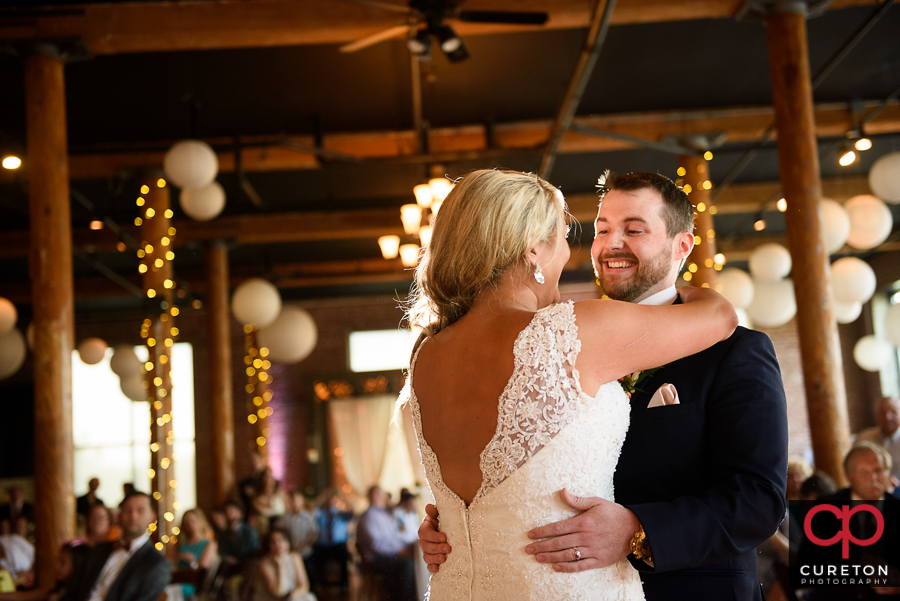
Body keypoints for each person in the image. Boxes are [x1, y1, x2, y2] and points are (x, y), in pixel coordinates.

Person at [417, 170, 788, 600]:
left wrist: (639, 531)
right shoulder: (566, 333)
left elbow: (758, 499)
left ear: (682, 246)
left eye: (634, 230)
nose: (611, 244)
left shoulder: (735, 351)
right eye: (602, 230)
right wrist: (464, 529)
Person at [61, 491, 171, 601]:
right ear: (119, 515)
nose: (133, 516)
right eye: (128, 510)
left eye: (140, 511)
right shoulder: (98, 550)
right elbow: (72, 592)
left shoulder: (157, 564)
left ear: (152, 517)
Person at [355, 486, 415, 601]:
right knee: (407, 564)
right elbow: (377, 545)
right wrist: (400, 551)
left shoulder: (384, 514)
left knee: (414, 559)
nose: (387, 497)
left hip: (388, 555)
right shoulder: (369, 516)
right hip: (376, 560)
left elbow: (394, 537)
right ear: (376, 496)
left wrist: (406, 547)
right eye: (383, 494)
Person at [252, 529, 316, 601]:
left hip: (291, 596)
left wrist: (291, 597)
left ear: (287, 542)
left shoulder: (295, 557)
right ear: (268, 545)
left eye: (281, 540)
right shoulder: (264, 563)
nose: (277, 544)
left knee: (309, 598)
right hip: (271, 598)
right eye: (273, 542)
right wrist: (280, 566)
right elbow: (278, 592)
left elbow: (304, 585)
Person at [310, 490, 352, 591]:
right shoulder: (320, 513)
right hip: (323, 546)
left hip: (338, 545)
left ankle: (344, 585)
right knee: (313, 557)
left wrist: (342, 497)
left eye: (333, 499)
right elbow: (310, 508)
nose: (331, 501)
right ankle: (319, 585)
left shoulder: (341, 513)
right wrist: (321, 498)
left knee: (344, 556)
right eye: (329, 499)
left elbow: (352, 511)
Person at [855, 397, 900, 486]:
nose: (887, 417)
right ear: (876, 415)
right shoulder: (864, 438)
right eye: (882, 413)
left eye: (893, 412)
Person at [175, 508, 218, 598]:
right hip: (178, 579)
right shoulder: (182, 543)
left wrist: (192, 561)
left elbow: (202, 571)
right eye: (187, 522)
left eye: (192, 521)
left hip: (195, 584)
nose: (190, 524)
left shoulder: (209, 544)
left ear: (200, 521)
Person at [273, 491, 317, 576]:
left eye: (297, 500)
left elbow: (314, 534)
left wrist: (301, 546)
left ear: (302, 501)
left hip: (306, 554)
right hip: (291, 555)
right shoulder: (285, 518)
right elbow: (276, 529)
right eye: (293, 500)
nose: (295, 502)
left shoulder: (309, 517)